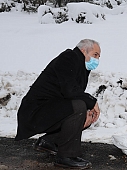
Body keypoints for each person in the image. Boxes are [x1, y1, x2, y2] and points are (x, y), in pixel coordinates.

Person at [15, 39, 101, 169]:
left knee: (83, 111)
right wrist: (92, 102)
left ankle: (48, 142)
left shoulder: (80, 66)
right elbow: (70, 90)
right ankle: (66, 157)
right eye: (95, 54)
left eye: (99, 56)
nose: (97, 59)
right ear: (83, 50)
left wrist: (86, 113)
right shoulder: (68, 58)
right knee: (79, 107)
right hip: (36, 111)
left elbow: (73, 94)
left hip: (50, 110)